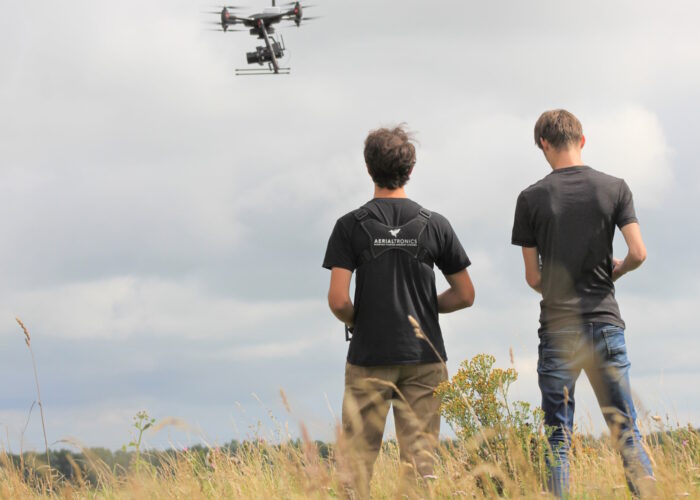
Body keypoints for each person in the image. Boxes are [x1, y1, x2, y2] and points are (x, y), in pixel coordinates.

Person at [322, 125, 474, 496]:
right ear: (411, 168)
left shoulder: (349, 226)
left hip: (368, 357)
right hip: (424, 358)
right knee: (422, 469)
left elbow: (339, 300)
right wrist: (420, 311)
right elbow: (465, 294)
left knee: (356, 467)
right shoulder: (435, 225)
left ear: (368, 167)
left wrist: (365, 318)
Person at [511, 109, 654, 497]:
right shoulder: (615, 187)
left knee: (557, 437)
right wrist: (615, 272)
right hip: (606, 323)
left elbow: (533, 278)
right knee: (625, 430)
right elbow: (638, 252)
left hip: (558, 329)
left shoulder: (530, 198)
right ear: (582, 140)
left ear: (543, 143)